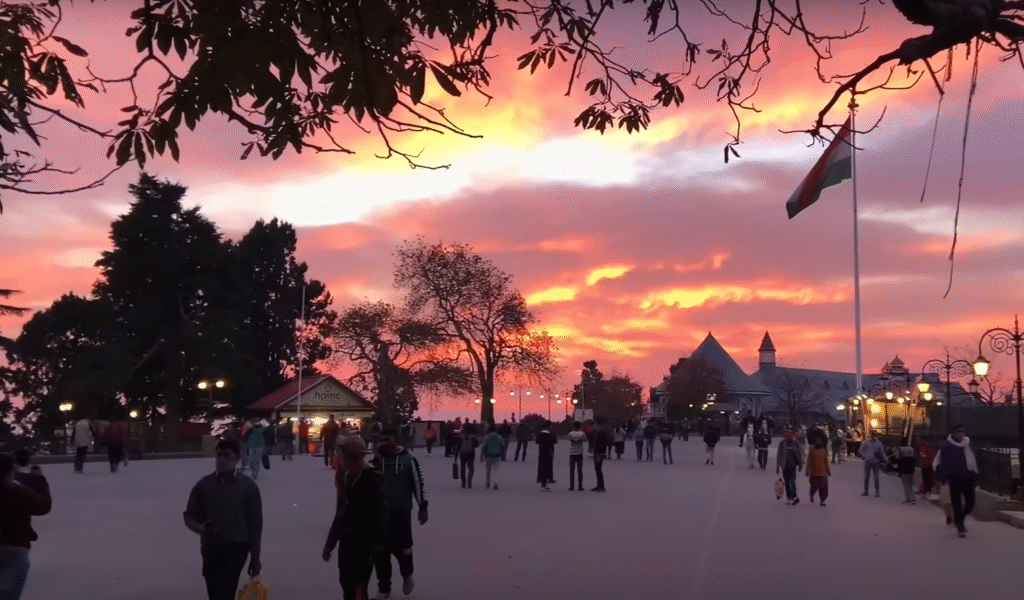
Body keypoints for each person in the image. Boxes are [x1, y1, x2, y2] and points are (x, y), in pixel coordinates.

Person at [183, 439, 262, 600]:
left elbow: (255, 524)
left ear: (236, 458)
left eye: (226, 455)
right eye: (218, 455)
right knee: (214, 592)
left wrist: (255, 558)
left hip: (237, 547)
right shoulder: (203, 486)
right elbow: (189, 515)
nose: (221, 459)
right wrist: (200, 528)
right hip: (211, 547)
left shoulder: (248, 487)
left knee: (225, 591)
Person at [323, 436, 388, 600]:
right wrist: (330, 543)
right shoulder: (345, 476)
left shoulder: (372, 477)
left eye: (342, 454)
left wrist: (377, 546)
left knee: (359, 588)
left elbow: (381, 514)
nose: (340, 458)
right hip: (347, 542)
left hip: (365, 544)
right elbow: (341, 513)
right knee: (346, 584)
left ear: (351, 456)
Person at [371, 428, 427, 598]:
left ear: (395, 442)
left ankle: (407, 575)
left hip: (401, 514)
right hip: (379, 516)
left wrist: (423, 507)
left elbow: (418, 484)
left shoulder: (408, 460)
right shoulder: (375, 463)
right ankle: (384, 588)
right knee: (380, 552)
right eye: (381, 441)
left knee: (404, 550)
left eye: (387, 440)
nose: (383, 444)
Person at [0, 453, 52, 600]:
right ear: (9, 472)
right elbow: (43, 506)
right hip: (13, 551)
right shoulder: (16, 492)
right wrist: (39, 480)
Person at [934, 425, 978, 537]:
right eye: (959, 431)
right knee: (956, 503)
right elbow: (943, 462)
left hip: (968, 477)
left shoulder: (968, 443)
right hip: (954, 478)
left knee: (971, 502)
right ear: (953, 433)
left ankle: (960, 519)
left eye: (963, 431)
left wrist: (974, 474)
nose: (961, 433)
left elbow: (973, 458)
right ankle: (960, 527)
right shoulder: (946, 445)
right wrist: (943, 477)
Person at [776, 428, 803, 505]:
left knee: (792, 481)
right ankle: (789, 498)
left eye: (790, 436)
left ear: (792, 436)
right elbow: (779, 455)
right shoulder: (782, 443)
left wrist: (800, 465)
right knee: (787, 482)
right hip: (784, 466)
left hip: (792, 466)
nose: (789, 438)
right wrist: (777, 467)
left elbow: (799, 454)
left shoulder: (796, 443)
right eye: (787, 436)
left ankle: (794, 497)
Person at [859, 430, 888, 498]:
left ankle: (877, 492)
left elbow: (882, 452)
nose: (874, 436)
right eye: (873, 435)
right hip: (868, 461)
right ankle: (866, 491)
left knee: (876, 477)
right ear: (871, 435)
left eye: (875, 435)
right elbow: (860, 450)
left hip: (876, 461)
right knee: (866, 477)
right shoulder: (866, 442)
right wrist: (864, 456)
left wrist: (885, 460)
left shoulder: (879, 443)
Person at [480, 424, 505, 490]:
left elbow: (483, 447)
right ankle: (495, 483)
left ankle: (488, 482)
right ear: (496, 430)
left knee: (488, 470)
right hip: (497, 456)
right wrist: (502, 454)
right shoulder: (499, 437)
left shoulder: (486, 437)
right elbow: (502, 446)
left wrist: (482, 456)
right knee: (495, 470)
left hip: (488, 456)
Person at [805, 439, 830, 506]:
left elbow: (826, 462)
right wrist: (807, 471)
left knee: (823, 488)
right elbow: (809, 462)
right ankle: (812, 495)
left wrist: (828, 471)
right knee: (814, 487)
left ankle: (822, 500)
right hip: (814, 473)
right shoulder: (812, 451)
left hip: (823, 473)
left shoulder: (823, 451)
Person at [536, 421, 557, 492]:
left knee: (542, 466)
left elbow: (537, 441)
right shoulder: (550, 434)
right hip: (549, 452)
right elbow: (555, 441)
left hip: (542, 452)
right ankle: (544, 484)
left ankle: (541, 480)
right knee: (547, 467)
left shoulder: (540, 434)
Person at [456, 424, 479, 489]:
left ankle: (463, 483)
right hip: (470, 454)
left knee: (462, 469)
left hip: (462, 454)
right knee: (471, 469)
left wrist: (456, 456)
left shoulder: (461, 436)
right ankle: (469, 481)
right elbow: (477, 445)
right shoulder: (473, 437)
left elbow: (458, 447)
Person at [896, 437, 917, 505]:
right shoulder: (911, 449)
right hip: (911, 469)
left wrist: (898, 470)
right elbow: (913, 458)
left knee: (905, 485)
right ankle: (913, 499)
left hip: (904, 469)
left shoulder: (900, 449)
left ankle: (908, 498)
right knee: (911, 485)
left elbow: (898, 459)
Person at [592, 418, 611, 492]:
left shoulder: (601, 433)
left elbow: (602, 444)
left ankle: (601, 486)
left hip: (599, 453)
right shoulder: (599, 432)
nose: (594, 425)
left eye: (595, 424)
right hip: (598, 453)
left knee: (598, 469)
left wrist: (599, 454)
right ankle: (599, 485)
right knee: (597, 469)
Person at [567, 422, 586, 491]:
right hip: (579, 453)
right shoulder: (582, 433)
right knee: (579, 470)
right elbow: (585, 440)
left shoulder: (570, 433)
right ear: (580, 426)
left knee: (572, 470)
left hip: (572, 453)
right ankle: (580, 486)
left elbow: (570, 439)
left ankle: (571, 486)